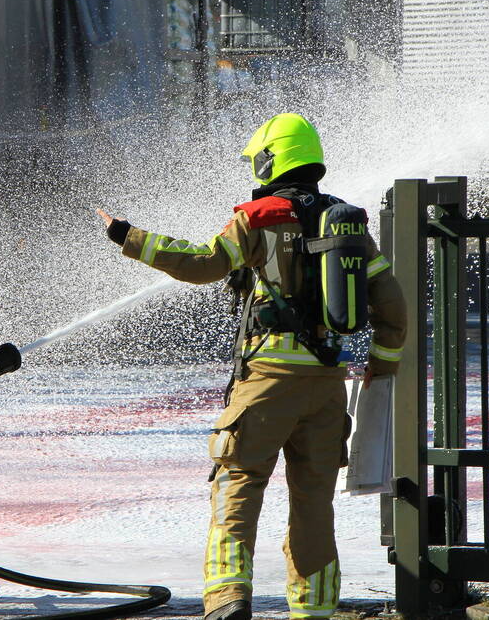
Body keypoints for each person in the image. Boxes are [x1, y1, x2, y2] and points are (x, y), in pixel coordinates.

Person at [97, 114, 406, 620]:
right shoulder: (348, 224)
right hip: (327, 385)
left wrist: (128, 236)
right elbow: (392, 305)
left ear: (270, 160)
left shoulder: (258, 218)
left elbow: (202, 263)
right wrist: (381, 365)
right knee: (314, 503)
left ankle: (227, 599)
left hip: (266, 383)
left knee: (237, 483)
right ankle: (314, 610)